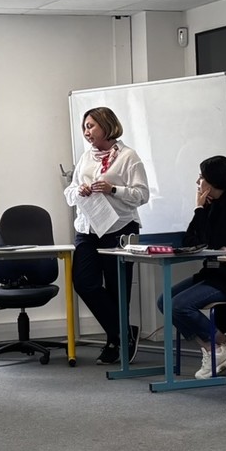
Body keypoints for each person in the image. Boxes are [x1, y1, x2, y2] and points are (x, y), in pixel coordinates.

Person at [160, 156, 226, 378]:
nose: (198, 181)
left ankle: (216, 349)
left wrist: (201, 213)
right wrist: (200, 208)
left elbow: (212, 240)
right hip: (213, 273)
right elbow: (191, 240)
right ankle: (220, 344)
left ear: (214, 180)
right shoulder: (212, 204)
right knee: (164, 301)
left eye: (202, 177)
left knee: (179, 305)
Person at [65, 107, 150, 365]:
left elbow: (142, 195)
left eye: (91, 126)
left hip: (120, 228)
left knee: (117, 288)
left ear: (106, 126)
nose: (86, 132)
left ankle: (115, 341)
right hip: (88, 229)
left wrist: (114, 189)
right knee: (83, 283)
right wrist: (79, 190)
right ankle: (124, 332)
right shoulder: (85, 157)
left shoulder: (128, 157)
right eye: (84, 127)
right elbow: (69, 193)